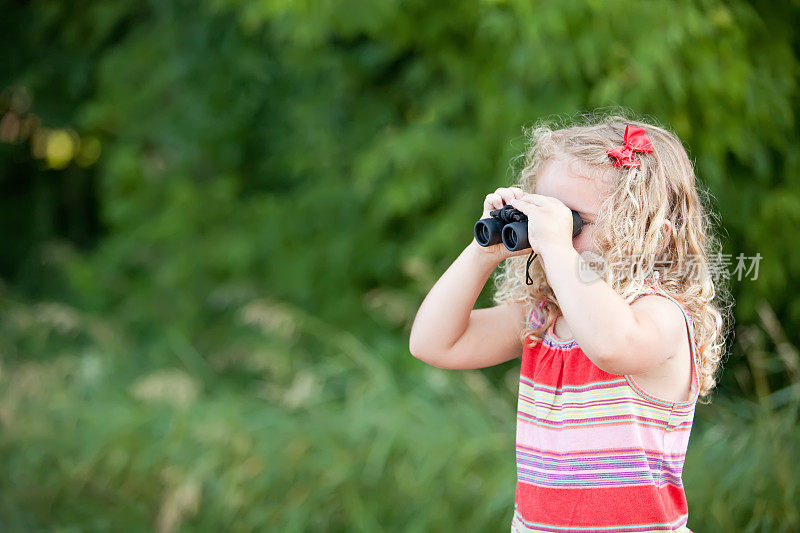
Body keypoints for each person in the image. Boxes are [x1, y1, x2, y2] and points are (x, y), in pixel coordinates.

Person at [408, 113, 731, 532]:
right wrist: (483, 250)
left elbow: (612, 346)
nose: (547, 234)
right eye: (543, 214)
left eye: (571, 221)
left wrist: (558, 247)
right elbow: (434, 343)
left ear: (654, 236)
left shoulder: (662, 315)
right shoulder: (545, 317)